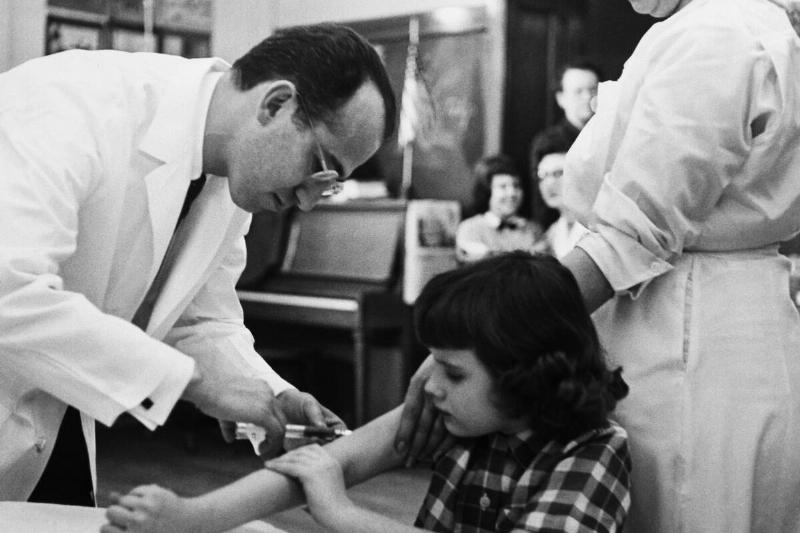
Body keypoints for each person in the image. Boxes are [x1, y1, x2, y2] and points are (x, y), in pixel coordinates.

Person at [397, 1, 800, 532]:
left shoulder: (717, 33)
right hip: (700, 315)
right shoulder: (717, 26)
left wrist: (488, 336)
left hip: (688, 338)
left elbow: (629, 233)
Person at [0, 23, 397, 505]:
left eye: (331, 185)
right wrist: (197, 386)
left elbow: (201, 321)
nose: (310, 201)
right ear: (276, 104)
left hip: (52, 422)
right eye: (321, 167)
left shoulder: (234, 171)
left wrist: (270, 397)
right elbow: (8, 293)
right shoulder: (67, 102)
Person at [101, 251, 631, 533]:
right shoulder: (466, 413)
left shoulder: (594, 451)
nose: (430, 385)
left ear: (525, 373)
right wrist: (196, 518)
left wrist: (341, 513)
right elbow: (337, 461)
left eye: (453, 372)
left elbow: (335, 488)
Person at [528, 59, 602, 230]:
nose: (587, 97)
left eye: (593, 90)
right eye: (578, 91)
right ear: (561, 98)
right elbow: (543, 203)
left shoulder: (611, 136)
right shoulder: (548, 143)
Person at [455, 154, 546, 262]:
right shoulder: (470, 228)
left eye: (516, 186)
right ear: (487, 192)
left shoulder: (533, 229)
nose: (512, 193)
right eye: (503, 186)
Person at [532, 131, 589, 259]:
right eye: (543, 176)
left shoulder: (596, 226)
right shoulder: (552, 233)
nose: (549, 183)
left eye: (558, 173)